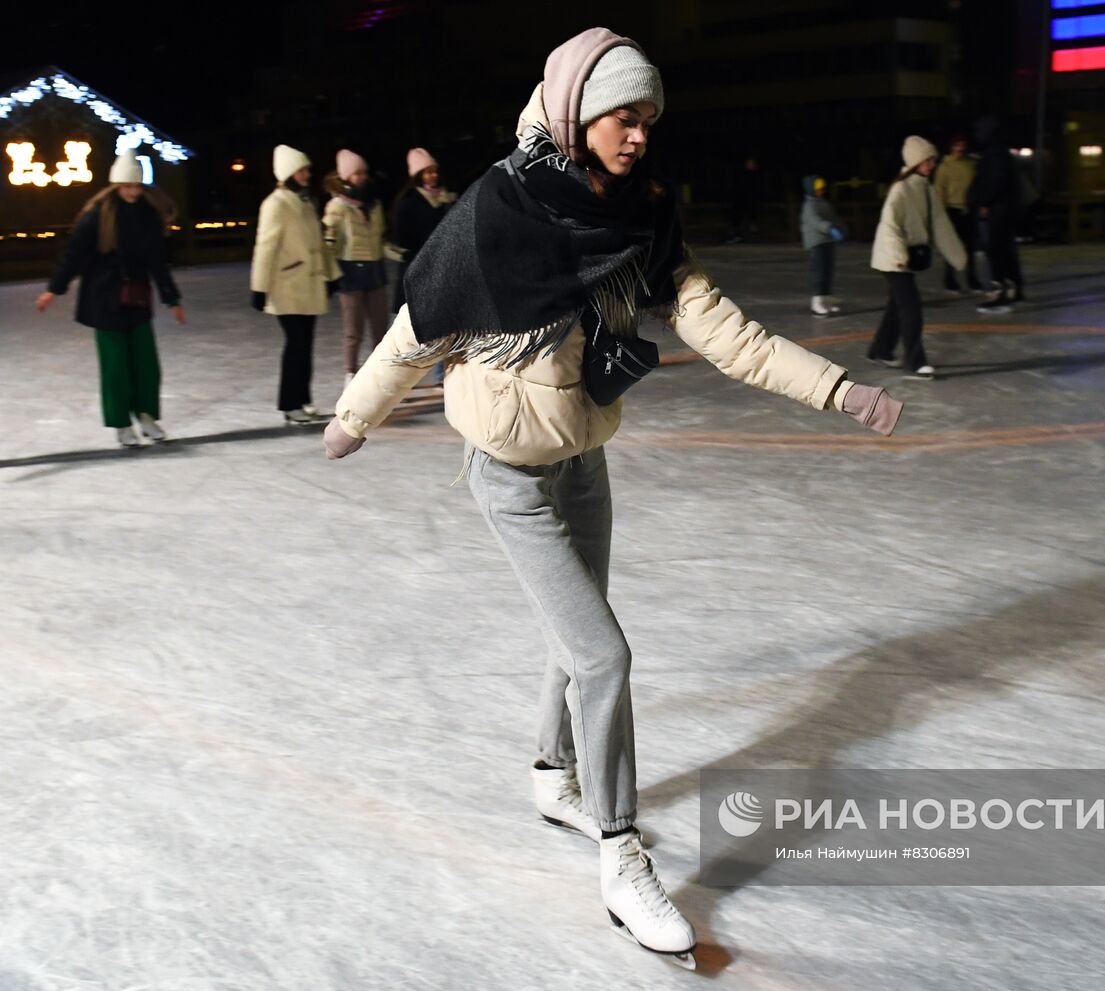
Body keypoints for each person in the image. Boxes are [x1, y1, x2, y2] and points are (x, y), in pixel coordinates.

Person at [320, 27, 904, 968]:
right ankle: (620, 852)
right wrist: (354, 416)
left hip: (583, 460)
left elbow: (728, 331)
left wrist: (839, 389)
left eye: (648, 121)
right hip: (506, 473)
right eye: (623, 117)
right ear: (575, 112)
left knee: (577, 636)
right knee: (603, 650)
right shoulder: (494, 214)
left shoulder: (643, 216)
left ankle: (554, 773)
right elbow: (415, 329)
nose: (638, 136)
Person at [35, 152, 186, 447]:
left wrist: (172, 299)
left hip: (137, 297)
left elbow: (157, 262)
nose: (132, 191)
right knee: (116, 366)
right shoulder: (97, 216)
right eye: (127, 185)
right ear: (116, 185)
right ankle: (121, 423)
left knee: (146, 364)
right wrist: (54, 289)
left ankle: (146, 416)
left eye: (137, 186)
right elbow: (73, 256)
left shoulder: (148, 216)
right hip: (104, 299)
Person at [251, 144, 338, 424]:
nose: (307, 174)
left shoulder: (305, 201)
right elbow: (266, 247)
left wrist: (332, 275)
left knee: (305, 344)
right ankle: (290, 404)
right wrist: (259, 287)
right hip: (287, 285)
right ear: (289, 172)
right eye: (302, 170)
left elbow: (320, 246)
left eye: (307, 169)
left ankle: (303, 398)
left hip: (308, 285)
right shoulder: (275, 204)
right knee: (296, 344)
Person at [868, 135, 966, 379]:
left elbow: (940, 223)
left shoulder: (926, 188)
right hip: (893, 258)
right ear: (914, 162)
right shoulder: (901, 189)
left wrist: (958, 256)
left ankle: (881, 349)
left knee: (897, 306)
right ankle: (914, 362)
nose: (932, 165)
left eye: (932, 160)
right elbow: (889, 225)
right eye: (927, 160)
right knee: (911, 307)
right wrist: (899, 257)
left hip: (904, 257)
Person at [323, 149, 388, 385]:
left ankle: (381, 376)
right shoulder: (337, 207)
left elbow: (380, 238)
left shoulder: (374, 204)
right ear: (346, 177)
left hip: (375, 271)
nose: (362, 177)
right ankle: (350, 373)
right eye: (357, 173)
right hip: (350, 273)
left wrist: (398, 253)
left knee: (381, 330)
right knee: (353, 331)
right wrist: (330, 275)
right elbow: (329, 243)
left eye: (364, 172)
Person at [967, 116, 1025, 313]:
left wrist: (984, 202)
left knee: (996, 250)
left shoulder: (995, 154)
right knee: (1005, 250)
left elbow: (995, 181)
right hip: (1003, 209)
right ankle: (1014, 288)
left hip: (998, 210)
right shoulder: (999, 152)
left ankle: (1001, 291)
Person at [390, 147, 457, 314]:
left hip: (443, 264)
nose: (433, 176)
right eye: (427, 172)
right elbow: (401, 238)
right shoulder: (408, 202)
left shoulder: (444, 199)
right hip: (419, 266)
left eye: (434, 171)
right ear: (418, 175)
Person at [933, 135, 982, 294]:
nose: (960, 149)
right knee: (953, 247)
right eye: (957, 146)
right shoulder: (945, 167)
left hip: (968, 210)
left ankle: (972, 279)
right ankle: (950, 279)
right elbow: (939, 189)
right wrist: (942, 211)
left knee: (970, 248)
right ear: (951, 147)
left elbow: (976, 186)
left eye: (962, 145)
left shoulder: (970, 165)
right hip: (952, 210)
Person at [800, 174, 845, 316]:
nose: (821, 191)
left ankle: (826, 300)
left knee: (827, 271)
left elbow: (833, 217)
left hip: (827, 241)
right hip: (816, 242)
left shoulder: (823, 203)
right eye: (818, 189)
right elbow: (815, 221)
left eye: (822, 189)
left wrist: (841, 227)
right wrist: (829, 228)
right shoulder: (809, 206)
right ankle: (817, 302)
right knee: (819, 271)